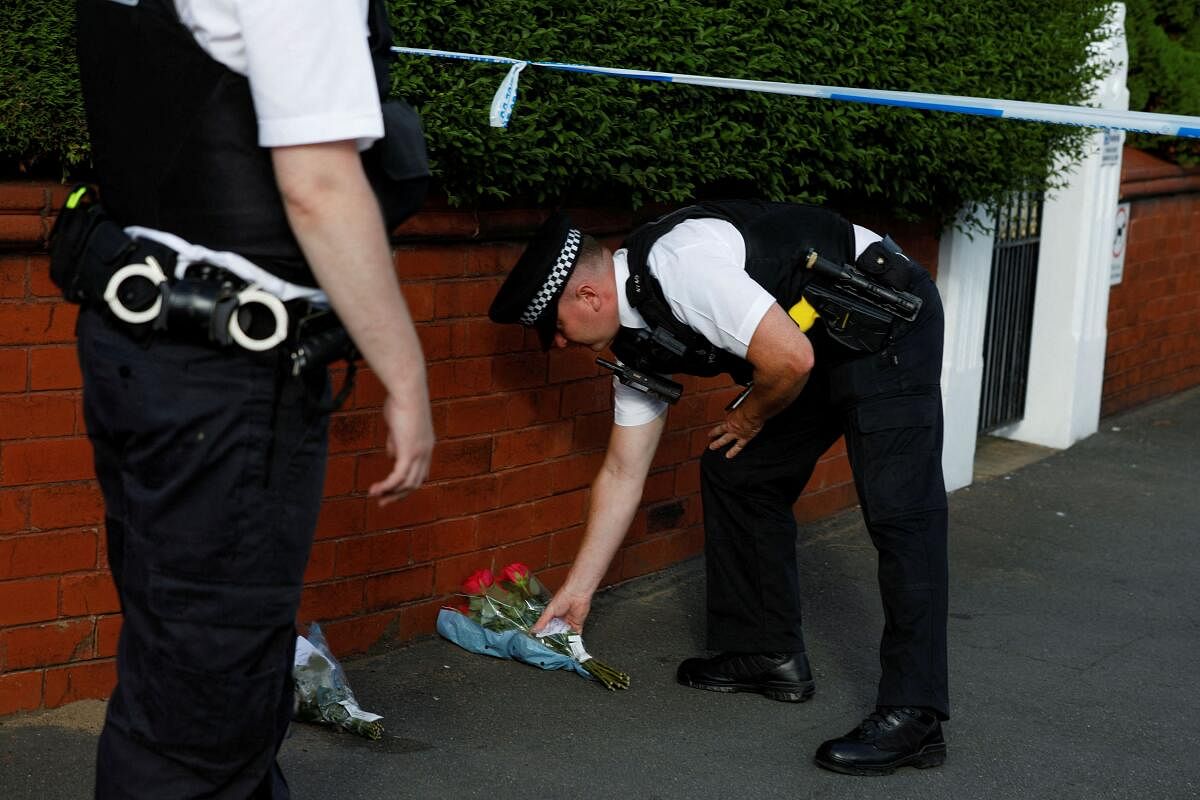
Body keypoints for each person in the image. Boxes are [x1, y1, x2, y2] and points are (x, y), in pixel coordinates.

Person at [64, 1, 434, 796]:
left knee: (194, 669)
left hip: (143, 344)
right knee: (196, 721)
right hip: (221, 374)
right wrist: (404, 374)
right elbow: (319, 185)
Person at [488, 201, 949, 776]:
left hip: (884, 320)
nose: (555, 344)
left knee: (901, 514)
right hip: (811, 344)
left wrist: (749, 417)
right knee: (740, 471)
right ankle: (767, 652)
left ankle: (916, 713)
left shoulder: (682, 267)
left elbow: (789, 358)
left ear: (588, 297)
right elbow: (622, 473)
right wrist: (579, 590)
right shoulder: (635, 337)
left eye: (552, 327)